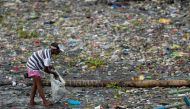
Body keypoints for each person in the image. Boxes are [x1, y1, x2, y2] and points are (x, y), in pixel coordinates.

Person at [26, 42, 61, 106]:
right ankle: (45, 102)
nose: (59, 52)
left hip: (31, 65)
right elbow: (45, 70)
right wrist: (54, 73)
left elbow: (43, 62)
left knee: (35, 85)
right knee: (39, 85)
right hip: (33, 68)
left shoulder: (48, 52)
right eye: (58, 50)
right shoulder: (48, 56)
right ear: (54, 50)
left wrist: (49, 66)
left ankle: (31, 101)